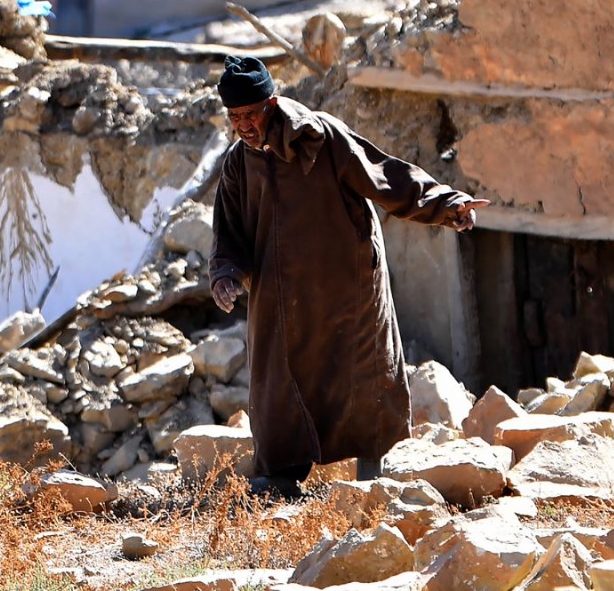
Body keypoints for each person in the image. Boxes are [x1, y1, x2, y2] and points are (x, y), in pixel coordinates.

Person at [209, 55, 489, 497]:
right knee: (279, 382)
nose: (243, 125)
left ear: (273, 103)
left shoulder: (320, 137)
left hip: (347, 281)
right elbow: (228, 233)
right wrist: (225, 273)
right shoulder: (238, 163)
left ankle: (377, 476)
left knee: (363, 372)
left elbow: (384, 175)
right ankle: (282, 476)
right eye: (235, 117)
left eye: (250, 114)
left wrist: (444, 205)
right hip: (281, 295)